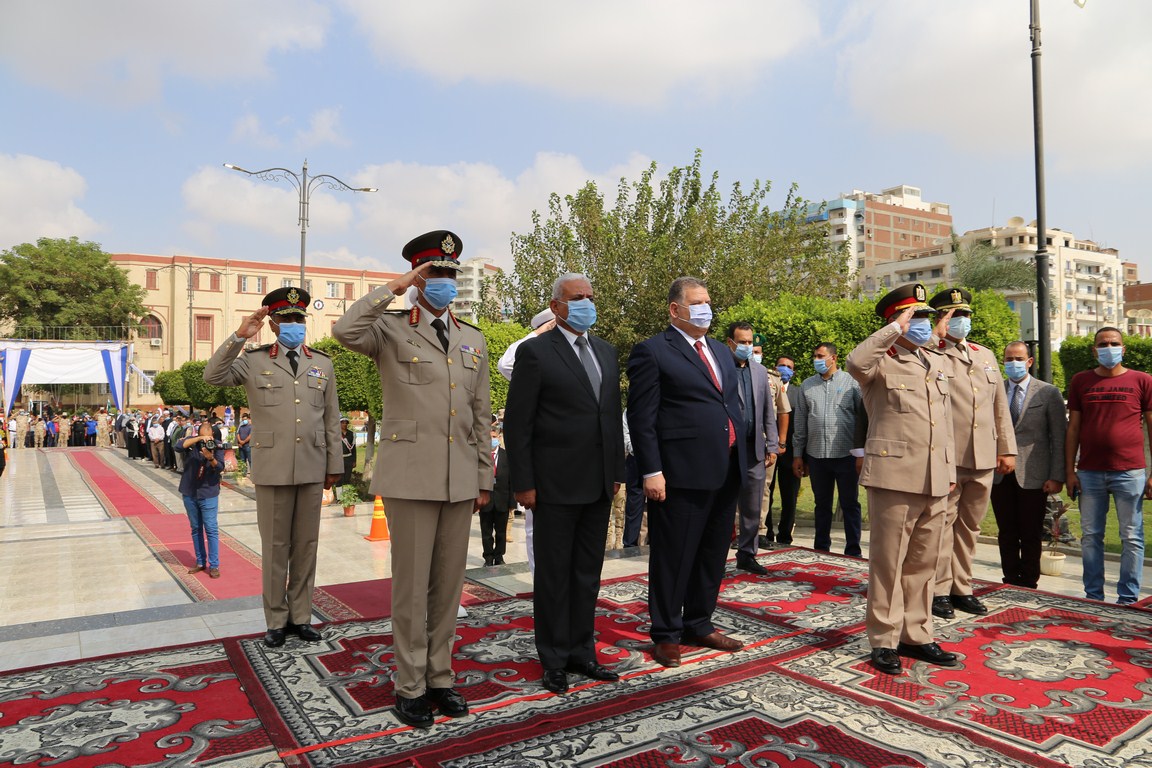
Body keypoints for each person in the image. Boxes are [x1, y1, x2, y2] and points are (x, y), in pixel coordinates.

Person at [333, 230, 492, 730]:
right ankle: (409, 684)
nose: (443, 281)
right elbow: (343, 328)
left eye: (449, 273)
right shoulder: (391, 329)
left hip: (459, 478)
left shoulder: (473, 338)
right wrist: (396, 287)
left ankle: (440, 678)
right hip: (409, 478)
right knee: (410, 587)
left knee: (448, 587)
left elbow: (481, 414)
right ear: (419, 277)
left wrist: (484, 477)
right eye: (433, 273)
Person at [505, 272, 626, 694]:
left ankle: (582, 652)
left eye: (591, 296)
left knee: (586, 573)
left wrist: (615, 473)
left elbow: (610, 417)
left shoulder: (607, 353)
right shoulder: (536, 352)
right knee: (554, 575)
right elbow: (519, 425)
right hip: (553, 485)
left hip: (597, 484)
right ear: (557, 306)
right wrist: (523, 483)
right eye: (578, 298)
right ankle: (554, 658)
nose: (587, 304)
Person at [204, 285, 343, 648]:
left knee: (306, 545)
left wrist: (335, 466)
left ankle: (301, 615)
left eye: (299, 318)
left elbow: (331, 418)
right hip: (273, 467)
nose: (294, 323)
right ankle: (276, 620)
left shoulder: (323, 363)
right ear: (274, 323)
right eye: (285, 318)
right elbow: (212, 376)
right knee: (276, 547)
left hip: (312, 467)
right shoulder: (254, 359)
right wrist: (238, 335)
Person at [627, 276, 747, 669]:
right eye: (697, 302)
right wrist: (652, 470)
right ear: (675, 309)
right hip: (679, 473)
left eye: (709, 301)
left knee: (712, 553)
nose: (706, 309)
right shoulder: (652, 351)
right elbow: (642, 418)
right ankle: (666, 632)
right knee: (674, 556)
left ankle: (699, 621)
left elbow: (728, 403)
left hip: (725, 468)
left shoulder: (720, 350)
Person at [845, 283, 957, 676]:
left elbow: (943, 423)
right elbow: (855, 361)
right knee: (888, 564)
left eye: (926, 316)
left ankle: (917, 633)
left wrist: (950, 471)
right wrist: (895, 329)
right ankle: (884, 639)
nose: (924, 323)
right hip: (894, 476)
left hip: (936, 477)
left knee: (924, 564)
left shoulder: (934, 361)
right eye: (917, 316)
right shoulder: (880, 362)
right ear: (898, 319)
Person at [928, 288, 1016, 619]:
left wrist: (1007, 448)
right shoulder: (931, 353)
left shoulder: (985, 355)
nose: (962, 321)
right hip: (948, 458)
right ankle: (937, 589)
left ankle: (961, 587)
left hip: (983, 457)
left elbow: (999, 406)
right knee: (941, 525)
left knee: (969, 527)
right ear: (940, 320)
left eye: (965, 315)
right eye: (954, 316)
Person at [1065, 326, 1152, 605]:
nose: (1108, 347)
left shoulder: (1143, 381)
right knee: (1091, 536)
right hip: (1089, 472)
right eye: (1103, 343)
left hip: (1130, 471)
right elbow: (1074, 428)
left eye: (1114, 343)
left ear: (1123, 348)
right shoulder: (1081, 381)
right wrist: (1070, 471)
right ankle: (1094, 597)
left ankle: (1127, 598)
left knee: (1132, 536)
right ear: (1094, 350)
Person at [990, 342, 1066, 589]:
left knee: (1031, 532)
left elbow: (1059, 437)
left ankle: (1029, 580)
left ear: (1030, 361)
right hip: (999, 474)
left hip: (1034, 474)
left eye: (1018, 358)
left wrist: (1057, 475)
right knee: (1007, 531)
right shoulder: (994, 391)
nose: (1013, 363)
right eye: (1008, 359)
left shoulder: (1047, 393)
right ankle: (1010, 579)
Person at [791, 342, 866, 557]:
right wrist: (798, 454)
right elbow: (801, 422)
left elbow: (862, 417)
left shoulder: (852, 383)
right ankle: (821, 548)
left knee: (850, 503)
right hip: (816, 456)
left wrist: (862, 451)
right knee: (821, 504)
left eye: (821, 356)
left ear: (834, 358)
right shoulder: (807, 385)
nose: (817, 359)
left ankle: (853, 550)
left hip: (845, 455)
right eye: (815, 355)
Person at [725, 322, 779, 574]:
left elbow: (769, 410)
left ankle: (747, 554)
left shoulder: (760, 372)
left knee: (753, 506)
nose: (747, 347)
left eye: (750, 342)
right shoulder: (720, 368)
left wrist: (773, 444)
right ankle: (715, 557)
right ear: (730, 343)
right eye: (742, 342)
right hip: (726, 449)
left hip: (754, 448)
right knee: (722, 506)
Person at [177, 420, 226, 578]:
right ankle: (200, 562)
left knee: (211, 529)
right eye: (202, 436)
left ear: (212, 434)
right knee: (196, 528)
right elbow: (178, 447)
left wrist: (210, 458)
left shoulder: (217, 445)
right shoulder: (191, 444)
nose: (206, 439)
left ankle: (214, 565)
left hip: (208, 493)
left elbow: (220, 467)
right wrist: (198, 440)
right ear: (198, 435)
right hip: (190, 492)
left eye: (208, 436)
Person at [765, 356, 801, 546]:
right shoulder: (765, 388)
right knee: (766, 493)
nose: (785, 369)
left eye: (789, 367)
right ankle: (767, 532)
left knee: (790, 497)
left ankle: (785, 535)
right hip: (769, 450)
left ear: (793, 372)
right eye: (782, 365)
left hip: (791, 454)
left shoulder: (798, 392)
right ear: (775, 368)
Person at [478, 418, 512, 566]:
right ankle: (488, 557)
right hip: (486, 499)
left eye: (494, 437)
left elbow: (512, 481)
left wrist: (512, 502)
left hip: (502, 500)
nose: (492, 440)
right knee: (486, 532)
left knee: (501, 532)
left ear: (498, 437)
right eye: (489, 437)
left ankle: (499, 556)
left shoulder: (506, 456)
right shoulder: (481, 455)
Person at [332, 416, 356, 503]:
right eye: (342, 422)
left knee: (347, 479)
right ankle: (339, 498)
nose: (344, 424)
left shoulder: (351, 434)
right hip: (339, 459)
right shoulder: (336, 434)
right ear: (339, 423)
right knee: (339, 479)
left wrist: (354, 460)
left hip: (349, 459)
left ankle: (346, 498)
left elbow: (354, 448)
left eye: (346, 423)